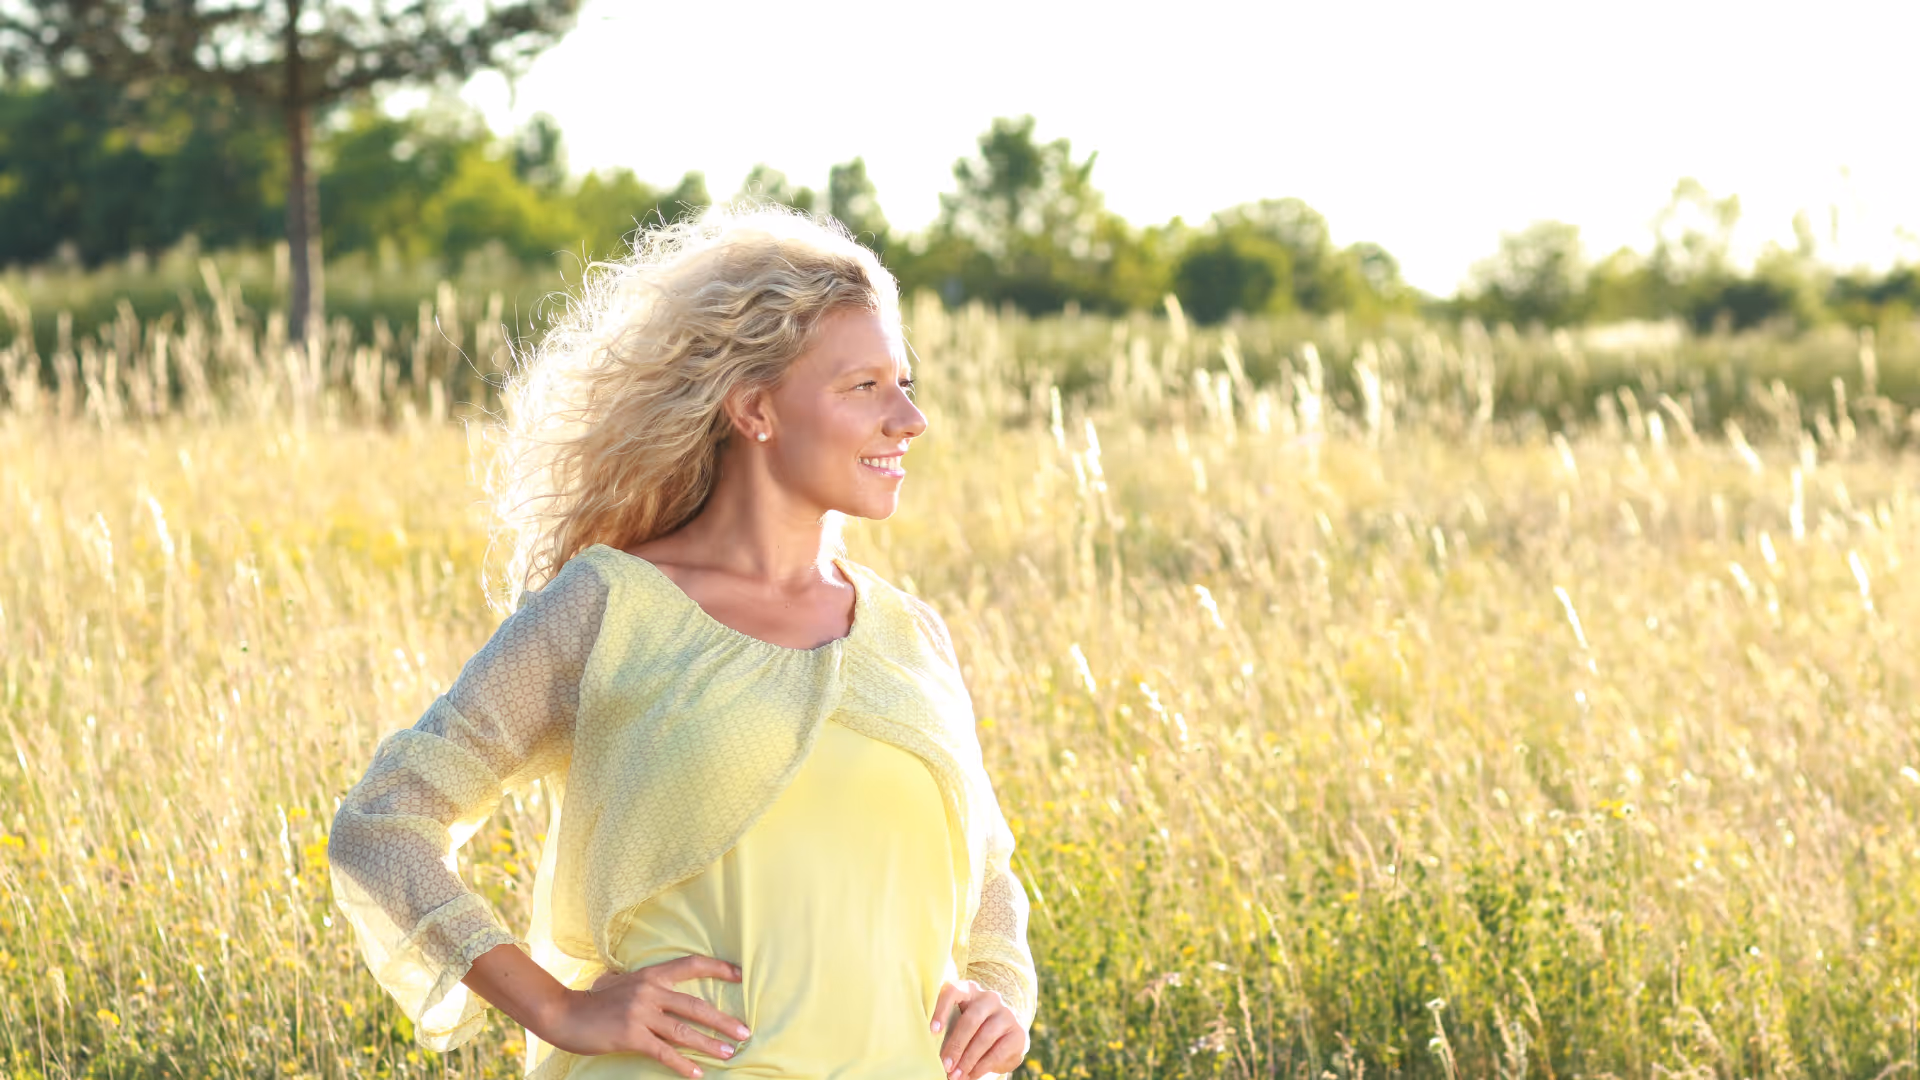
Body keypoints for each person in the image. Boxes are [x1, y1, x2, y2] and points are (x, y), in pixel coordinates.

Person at [325, 206, 1038, 1080]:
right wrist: (558, 1007)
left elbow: (990, 867)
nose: (909, 419)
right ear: (755, 408)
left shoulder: (912, 634)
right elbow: (384, 822)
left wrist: (1002, 989)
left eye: (906, 383)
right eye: (865, 387)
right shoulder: (610, 606)